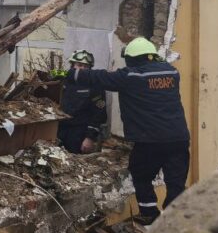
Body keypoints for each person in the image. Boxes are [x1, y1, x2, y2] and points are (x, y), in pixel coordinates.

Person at [69, 36, 190, 223]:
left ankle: (149, 214)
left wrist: (71, 74)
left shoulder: (132, 77)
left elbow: (99, 77)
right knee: (176, 182)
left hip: (150, 141)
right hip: (179, 138)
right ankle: (175, 220)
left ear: (132, 59)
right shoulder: (171, 72)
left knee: (140, 175)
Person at [57, 50, 107, 154]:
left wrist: (90, 138)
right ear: (72, 65)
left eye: (86, 66)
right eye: (79, 65)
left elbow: (98, 114)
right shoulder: (64, 76)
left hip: (79, 132)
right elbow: (49, 75)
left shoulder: (95, 85)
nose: (82, 69)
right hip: (58, 128)